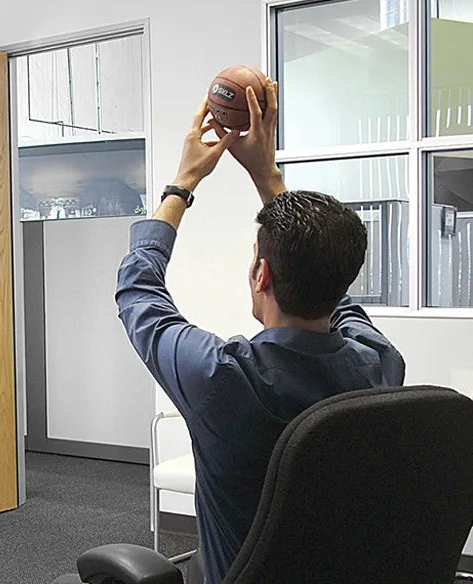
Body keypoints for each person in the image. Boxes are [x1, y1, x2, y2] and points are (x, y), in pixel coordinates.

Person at [115, 79, 405, 584]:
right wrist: (267, 175)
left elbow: (137, 290)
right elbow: (336, 289)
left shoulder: (220, 377)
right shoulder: (380, 363)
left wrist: (182, 184)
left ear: (261, 274)